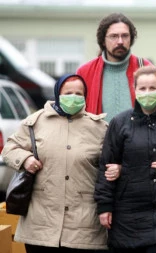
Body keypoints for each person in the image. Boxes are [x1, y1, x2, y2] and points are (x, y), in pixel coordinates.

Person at [1, 74, 110, 253]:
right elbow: (9, 149)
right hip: (40, 225)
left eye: (78, 93)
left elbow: (109, 166)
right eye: (68, 92)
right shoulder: (35, 123)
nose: (73, 97)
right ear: (58, 94)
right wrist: (26, 159)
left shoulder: (99, 128)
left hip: (84, 227)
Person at [94, 66, 156, 253]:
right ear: (135, 90)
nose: (148, 93)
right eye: (143, 88)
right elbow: (105, 166)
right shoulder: (120, 123)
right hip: (128, 213)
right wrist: (104, 206)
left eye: (153, 88)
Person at [76, 12, 152, 122]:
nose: (120, 41)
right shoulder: (85, 72)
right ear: (103, 41)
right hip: (99, 138)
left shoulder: (146, 68)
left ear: (131, 39)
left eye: (125, 36)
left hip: (139, 138)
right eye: (114, 36)